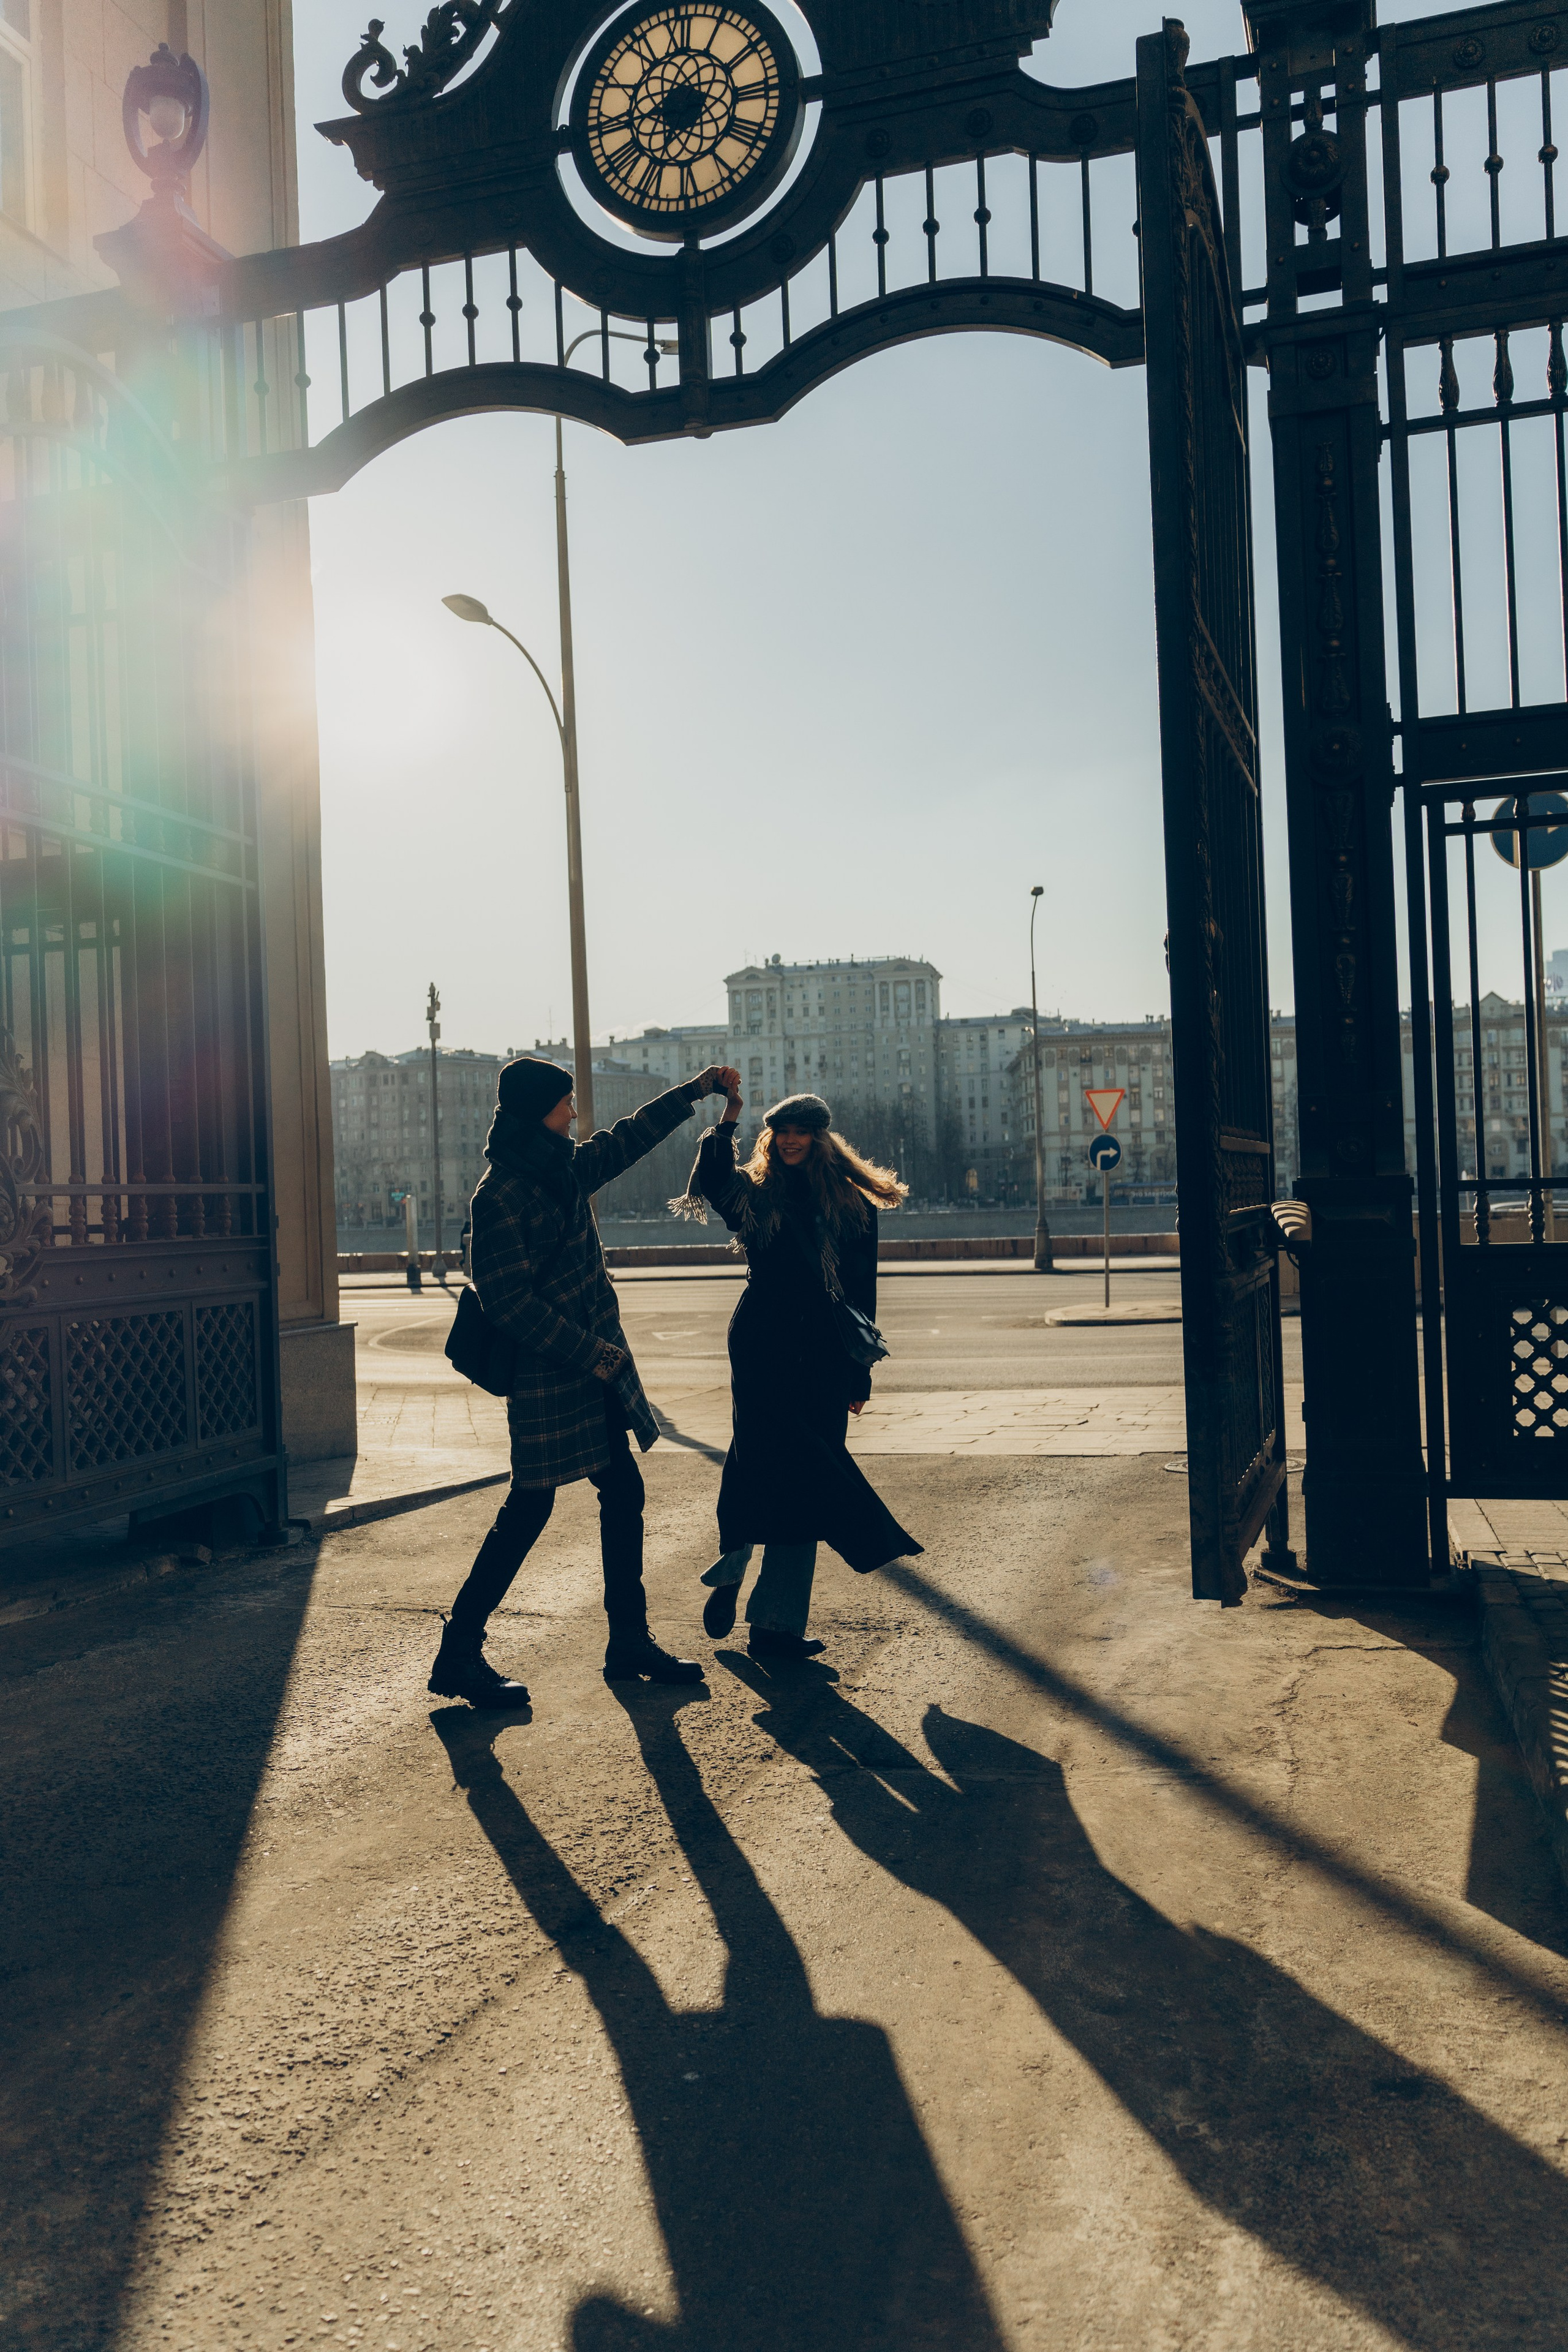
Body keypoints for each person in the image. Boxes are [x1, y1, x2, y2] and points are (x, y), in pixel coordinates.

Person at [429, 1054, 741, 1708]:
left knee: (622, 1491)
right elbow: (507, 1302)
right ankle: (458, 1654)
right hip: (551, 1375)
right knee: (529, 1508)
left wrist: (697, 1091)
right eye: (565, 1103)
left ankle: (628, 1642)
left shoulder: (561, 1169)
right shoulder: (500, 1194)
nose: (574, 1114)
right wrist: (591, 1353)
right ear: (534, 1110)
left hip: (589, 1368)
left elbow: (629, 1137)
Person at [674, 1085, 922, 1663]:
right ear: (770, 1137)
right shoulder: (756, 1194)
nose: (790, 1141)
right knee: (763, 1455)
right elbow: (713, 1182)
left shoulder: (852, 1206)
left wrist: (859, 1377)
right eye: (781, 1132)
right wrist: (726, 1120)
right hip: (763, 1341)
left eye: (801, 1132)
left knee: (802, 1472)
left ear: (820, 1139)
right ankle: (746, 1572)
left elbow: (862, 1293)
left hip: (823, 1350)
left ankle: (770, 1615)